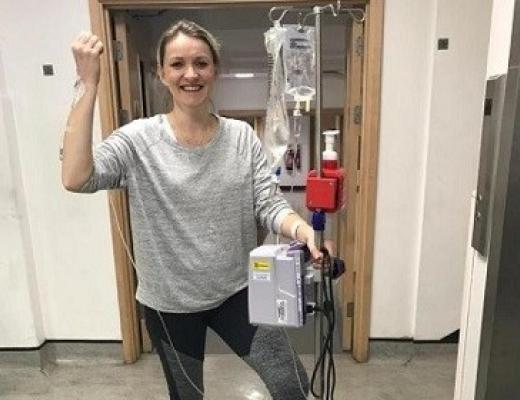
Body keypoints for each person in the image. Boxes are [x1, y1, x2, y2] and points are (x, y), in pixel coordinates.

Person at [62, 19, 321, 400]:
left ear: (215, 69)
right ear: (161, 73)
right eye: (178, 64)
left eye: (201, 63)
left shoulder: (240, 136)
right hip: (170, 305)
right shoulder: (138, 140)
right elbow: (76, 176)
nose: (190, 74)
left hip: (238, 292)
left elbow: (267, 202)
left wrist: (305, 232)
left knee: (293, 385)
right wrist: (88, 84)